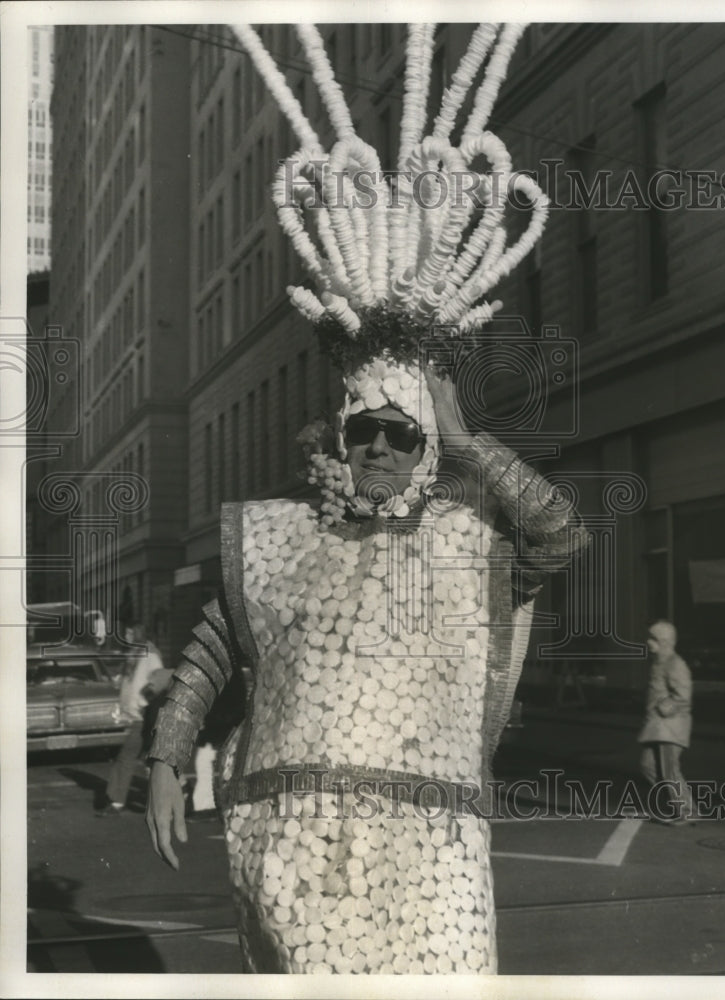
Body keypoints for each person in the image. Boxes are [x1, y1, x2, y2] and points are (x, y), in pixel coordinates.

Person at [146, 22, 589, 974]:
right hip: (298, 842)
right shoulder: (282, 538)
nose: (381, 448)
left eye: (401, 433)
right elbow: (216, 646)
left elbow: (558, 535)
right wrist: (167, 754)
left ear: (424, 444)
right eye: (366, 432)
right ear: (341, 436)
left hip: (432, 850)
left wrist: (467, 440)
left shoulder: (472, 542)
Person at [96, 623, 170, 817]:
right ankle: (121, 800)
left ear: (138, 633)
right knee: (135, 759)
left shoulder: (149, 654)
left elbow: (159, 680)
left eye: (129, 632)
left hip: (142, 716)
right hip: (130, 716)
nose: (125, 634)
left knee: (127, 758)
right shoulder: (134, 652)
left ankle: (117, 801)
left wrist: (144, 702)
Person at [637, 620, 695, 824]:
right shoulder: (659, 663)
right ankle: (677, 803)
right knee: (648, 765)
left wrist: (663, 708)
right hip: (657, 726)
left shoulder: (675, 663)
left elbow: (683, 696)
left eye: (652, 639)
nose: (648, 642)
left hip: (670, 726)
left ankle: (686, 810)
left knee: (669, 770)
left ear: (664, 641)